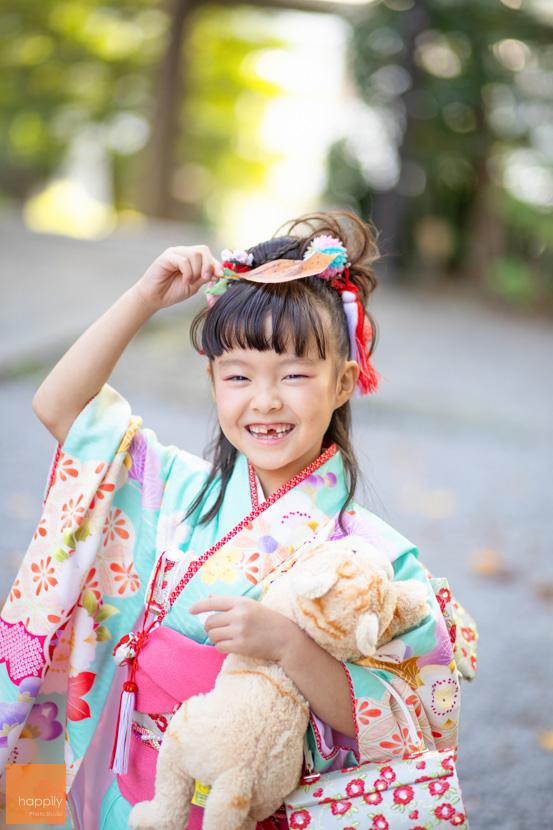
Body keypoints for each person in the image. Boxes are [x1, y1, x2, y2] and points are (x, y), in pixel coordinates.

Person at [0, 211, 477, 830]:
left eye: (296, 374)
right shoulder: (173, 488)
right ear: (213, 381)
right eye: (239, 376)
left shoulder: (375, 559)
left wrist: (288, 646)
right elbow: (57, 405)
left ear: (343, 384)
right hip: (129, 784)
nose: (266, 399)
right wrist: (144, 299)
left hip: (245, 806)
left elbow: (406, 722)